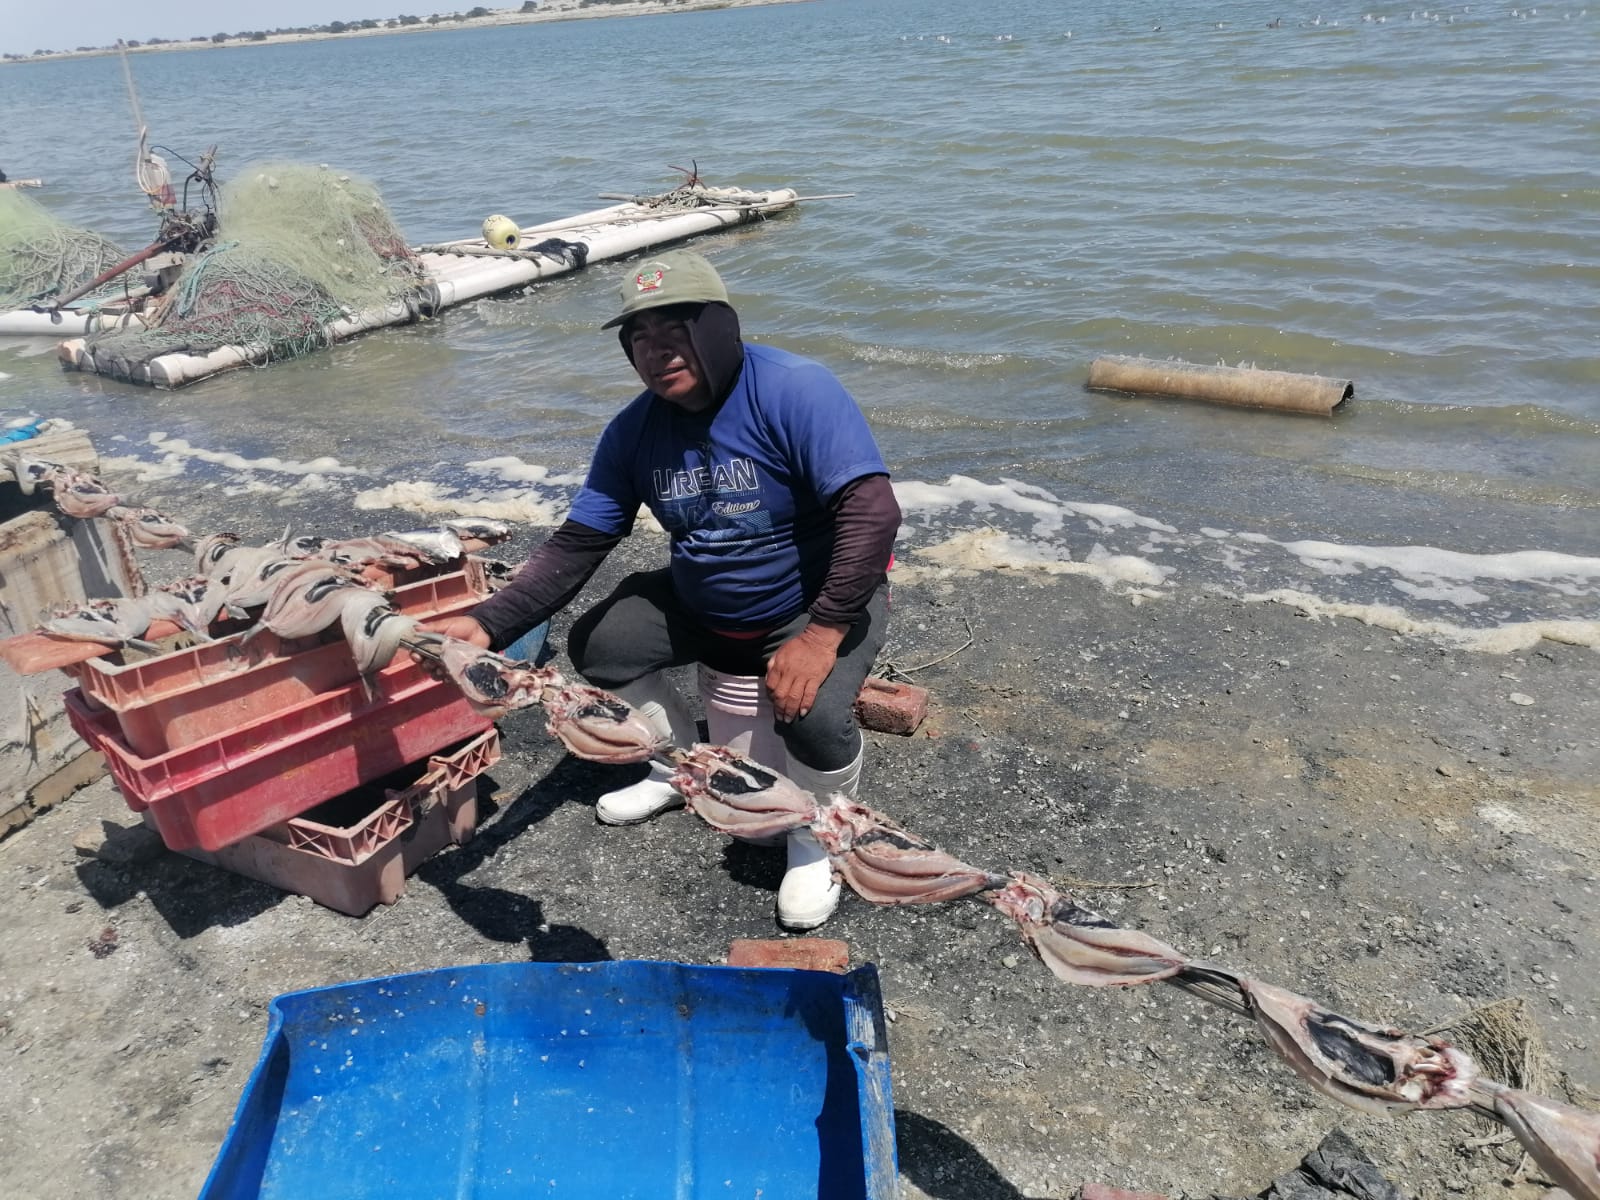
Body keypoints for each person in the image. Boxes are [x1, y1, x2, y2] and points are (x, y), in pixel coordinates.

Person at [428, 248, 900, 929]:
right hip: (706, 598)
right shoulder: (632, 431)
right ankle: (683, 766)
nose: (657, 351)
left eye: (676, 329)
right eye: (639, 338)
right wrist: (490, 622)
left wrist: (823, 634)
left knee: (817, 720)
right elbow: (580, 540)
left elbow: (873, 510)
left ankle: (820, 832)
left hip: (813, 599)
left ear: (719, 328)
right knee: (601, 646)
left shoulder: (796, 389)